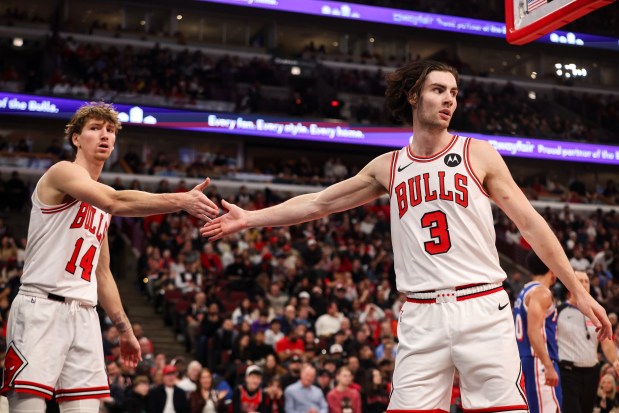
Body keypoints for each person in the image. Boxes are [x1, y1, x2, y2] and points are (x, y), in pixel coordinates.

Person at [201, 59, 612, 412]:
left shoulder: (477, 152)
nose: (449, 98)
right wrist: (251, 218)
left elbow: (530, 222)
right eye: (438, 90)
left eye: (454, 91)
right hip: (421, 312)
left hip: (482, 305)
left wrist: (576, 288)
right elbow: (319, 203)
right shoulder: (388, 166)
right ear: (415, 96)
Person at [0, 102, 217, 413]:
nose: (105, 135)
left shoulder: (103, 198)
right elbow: (115, 201)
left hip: (86, 314)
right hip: (41, 308)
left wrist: (125, 330)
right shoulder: (62, 172)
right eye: (95, 128)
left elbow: (102, 274)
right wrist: (180, 200)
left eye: (110, 130)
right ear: (76, 138)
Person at [558, 271, 619, 413]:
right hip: (567, 372)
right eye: (580, 280)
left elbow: (605, 340)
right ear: (570, 285)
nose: (584, 284)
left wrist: (615, 360)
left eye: (586, 281)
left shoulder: (597, 312)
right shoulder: (559, 311)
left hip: (592, 372)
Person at [513, 252, 561, 413]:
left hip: (528, 359)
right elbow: (533, 332)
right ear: (551, 269)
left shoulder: (523, 292)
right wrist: (548, 365)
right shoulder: (542, 293)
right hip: (538, 361)